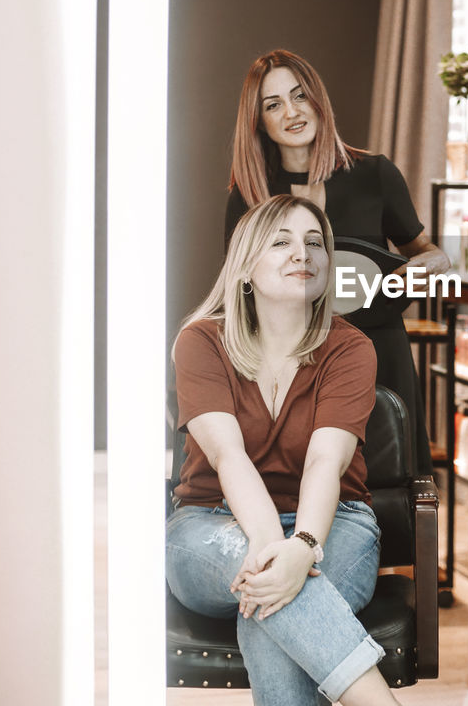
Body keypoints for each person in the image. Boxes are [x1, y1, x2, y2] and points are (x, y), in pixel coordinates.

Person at [167, 194, 401, 706]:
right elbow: (228, 456)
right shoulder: (202, 342)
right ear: (246, 266)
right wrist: (277, 548)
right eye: (282, 242)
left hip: (334, 520)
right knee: (274, 584)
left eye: (315, 243)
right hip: (212, 522)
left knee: (267, 603)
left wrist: (304, 547)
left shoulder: (350, 348)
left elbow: (326, 460)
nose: (304, 254)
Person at [224, 49, 449, 476]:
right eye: (274, 105)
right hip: (288, 360)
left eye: (300, 96)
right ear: (259, 121)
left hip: (379, 350)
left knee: (392, 483)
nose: (291, 112)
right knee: (306, 486)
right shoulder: (249, 193)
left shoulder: (375, 174)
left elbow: (426, 250)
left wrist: (432, 266)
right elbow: (237, 290)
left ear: (317, 100)